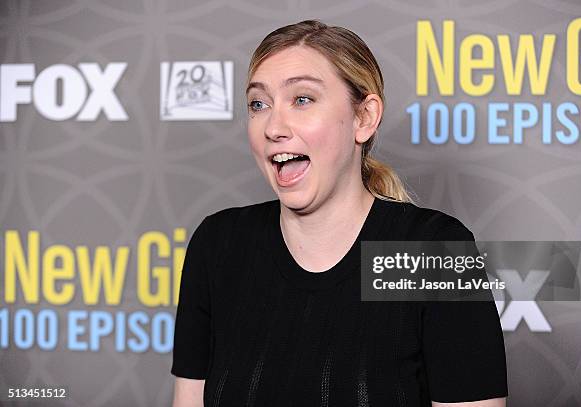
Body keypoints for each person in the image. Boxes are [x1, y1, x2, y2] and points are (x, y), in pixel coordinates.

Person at [171, 20, 507, 407]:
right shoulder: (220, 245)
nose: (273, 127)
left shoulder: (431, 254)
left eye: (302, 99)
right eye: (258, 104)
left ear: (364, 118)